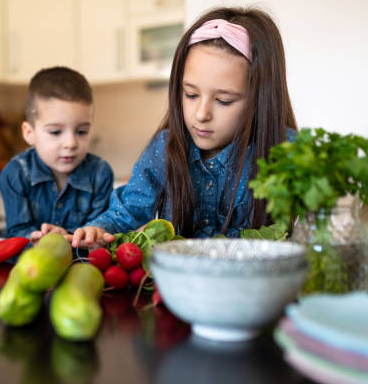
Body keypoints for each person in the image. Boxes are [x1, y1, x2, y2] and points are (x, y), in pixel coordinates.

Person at [70, 6, 297, 249]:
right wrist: (96, 231)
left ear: (260, 99)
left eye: (223, 101)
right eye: (190, 94)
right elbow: (127, 213)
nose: (201, 114)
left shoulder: (286, 152)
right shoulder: (165, 148)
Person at [0, 66, 114, 242]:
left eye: (81, 131)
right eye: (55, 132)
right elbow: (16, 232)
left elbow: (99, 231)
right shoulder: (15, 173)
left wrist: (68, 237)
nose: (71, 143)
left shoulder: (101, 174)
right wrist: (42, 241)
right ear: (29, 133)